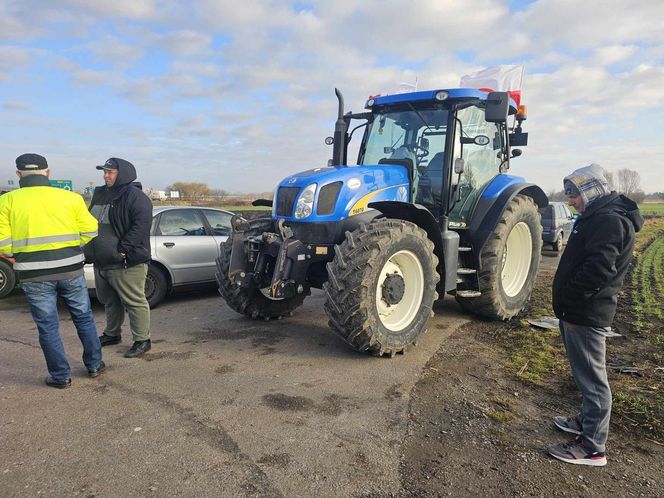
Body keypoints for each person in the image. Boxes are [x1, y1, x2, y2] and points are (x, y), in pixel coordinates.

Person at [548, 164, 643, 467]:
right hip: (579, 311)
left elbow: (598, 272)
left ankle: (592, 448)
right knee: (585, 374)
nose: (571, 201)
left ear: (591, 191)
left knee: (593, 381)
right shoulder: (598, 216)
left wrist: (571, 298)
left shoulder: (608, 221)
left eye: (575, 195)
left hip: (586, 314)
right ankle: (585, 423)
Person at [0, 153, 104, 388]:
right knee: (84, 318)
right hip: (71, 270)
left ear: (18, 174)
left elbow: (3, 243)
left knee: (47, 326)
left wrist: (17, 254)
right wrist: (74, 248)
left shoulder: (7, 201)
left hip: (34, 274)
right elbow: (91, 229)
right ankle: (95, 365)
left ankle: (60, 376)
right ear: (48, 172)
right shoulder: (71, 198)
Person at [84, 157, 153, 358]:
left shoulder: (135, 196)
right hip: (102, 261)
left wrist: (122, 250)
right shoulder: (101, 194)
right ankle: (112, 334)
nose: (105, 176)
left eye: (110, 172)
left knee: (134, 302)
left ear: (122, 174)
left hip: (126, 262)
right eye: (104, 172)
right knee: (110, 301)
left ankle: (142, 340)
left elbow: (141, 226)